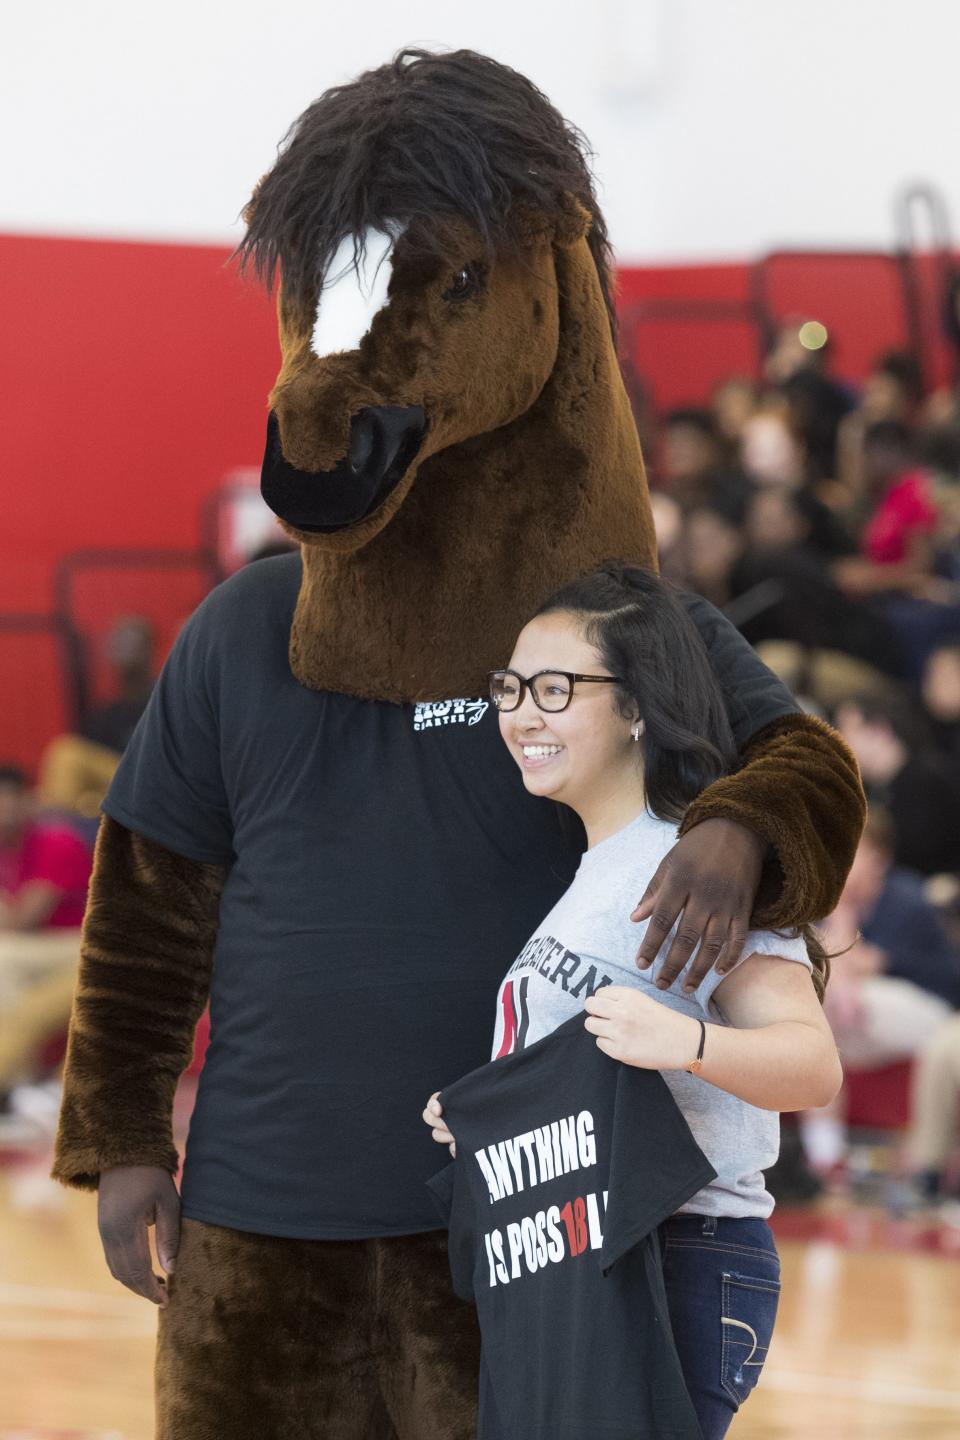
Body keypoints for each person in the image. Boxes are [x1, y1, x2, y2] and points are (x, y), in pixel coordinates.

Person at [424, 563, 842, 1440]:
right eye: (511, 687)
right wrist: (490, 1117)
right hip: (579, 1262)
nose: (522, 714)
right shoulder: (586, 872)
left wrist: (685, 1040)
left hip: (681, 1255)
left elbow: (812, 1066)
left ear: (638, 706)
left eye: (556, 689)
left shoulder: (697, 859)